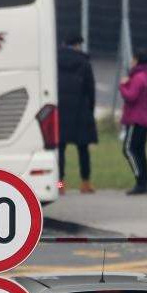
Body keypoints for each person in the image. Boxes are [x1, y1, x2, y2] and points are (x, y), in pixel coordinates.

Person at [56, 35, 98, 194]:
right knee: (83, 150)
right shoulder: (84, 63)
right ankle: (85, 183)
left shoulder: (54, 61)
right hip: (81, 111)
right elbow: (90, 90)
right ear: (78, 45)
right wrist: (90, 110)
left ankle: (60, 186)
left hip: (60, 111)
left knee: (59, 150)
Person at [118, 51, 147, 195]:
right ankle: (144, 182)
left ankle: (141, 181)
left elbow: (131, 96)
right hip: (144, 119)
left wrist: (122, 85)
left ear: (137, 60)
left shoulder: (138, 77)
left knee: (128, 149)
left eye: (133, 59)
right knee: (139, 151)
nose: (131, 62)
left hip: (135, 119)